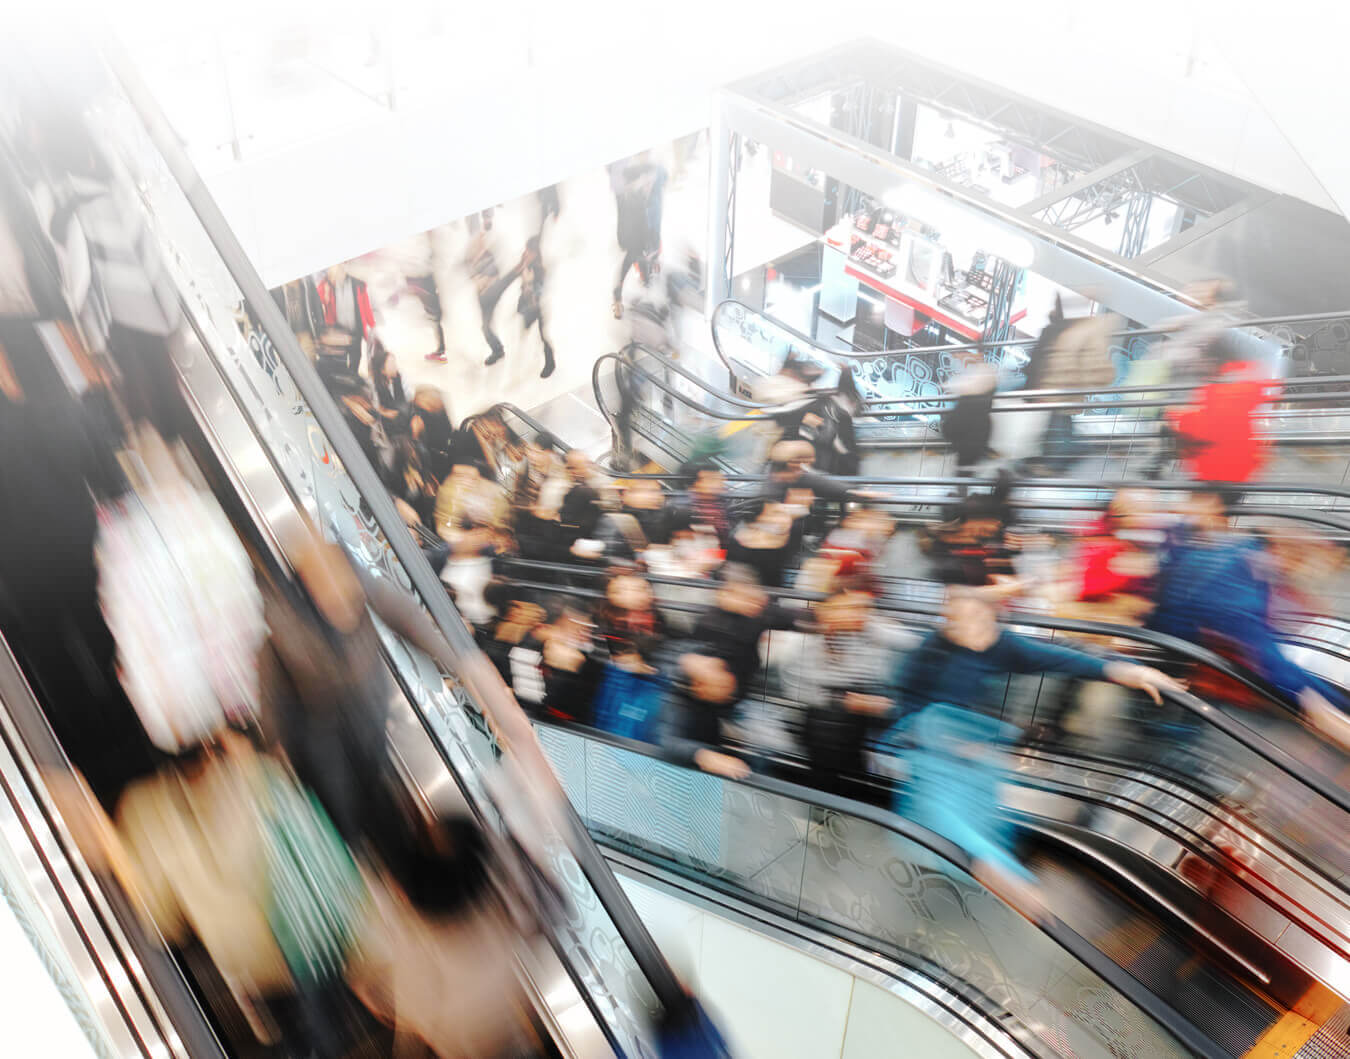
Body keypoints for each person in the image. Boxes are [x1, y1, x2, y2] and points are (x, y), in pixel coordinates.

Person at [881, 585, 1184, 914]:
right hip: (934, 754)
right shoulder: (930, 652)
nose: (973, 630)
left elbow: (1064, 658)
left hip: (978, 757)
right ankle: (1003, 880)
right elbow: (904, 704)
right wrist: (935, 738)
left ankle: (975, 884)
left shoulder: (1002, 644)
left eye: (980, 619)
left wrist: (1131, 671)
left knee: (974, 825)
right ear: (949, 621)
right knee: (944, 818)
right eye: (961, 619)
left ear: (993, 618)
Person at [783, 588, 916, 800]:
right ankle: (833, 796)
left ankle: (838, 795)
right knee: (827, 724)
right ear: (826, 612)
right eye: (844, 608)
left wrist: (869, 625)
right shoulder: (810, 642)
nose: (854, 613)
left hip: (877, 713)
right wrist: (843, 701)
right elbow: (796, 688)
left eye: (858, 608)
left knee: (834, 727)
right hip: (830, 719)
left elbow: (912, 645)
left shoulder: (874, 635)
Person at [687, 564, 802, 701]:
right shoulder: (709, 620)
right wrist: (704, 669)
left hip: (739, 688)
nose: (751, 602)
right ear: (723, 594)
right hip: (715, 692)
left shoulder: (760, 614)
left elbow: (793, 617)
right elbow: (692, 652)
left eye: (750, 595)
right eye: (741, 594)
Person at [661, 653, 750, 779]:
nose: (727, 692)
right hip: (678, 776)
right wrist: (702, 755)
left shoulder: (716, 703)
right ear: (700, 686)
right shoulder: (677, 702)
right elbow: (669, 743)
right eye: (720, 686)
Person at [612, 156, 668, 318]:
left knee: (641, 268)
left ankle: (626, 297)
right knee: (632, 266)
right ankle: (619, 300)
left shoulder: (642, 197)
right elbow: (629, 227)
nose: (649, 185)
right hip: (637, 244)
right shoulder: (631, 200)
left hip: (643, 244)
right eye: (646, 182)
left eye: (650, 182)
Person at [313, 264, 375, 376]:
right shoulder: (328, 284)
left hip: (356, 330)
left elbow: (365, 305)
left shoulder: (357, 284)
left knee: (356, 358)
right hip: (339, 333)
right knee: (340, 361)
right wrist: (327, 282)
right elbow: (317, 297)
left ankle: (352, 377)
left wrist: (372, 324)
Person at [516, 237, 556, 378]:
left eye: (529, 250)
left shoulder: (539, 268)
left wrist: (530, 290)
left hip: (539, 307)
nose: (526, 252)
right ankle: (532, 359)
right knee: (532, 331)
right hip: (530, 305)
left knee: (544, 334)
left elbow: (539, 291)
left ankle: (550, 363)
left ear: (536, 252)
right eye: (526, 249)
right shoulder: (528, 263)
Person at [368, 337, 407, 426]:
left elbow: (408, 398)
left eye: (395, 363)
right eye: (391, 364)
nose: (395, 367)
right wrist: (385, 413)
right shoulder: (373, 385)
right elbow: (373, 407)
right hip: (385, 422)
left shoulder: (400, 377)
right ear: (382, 370)